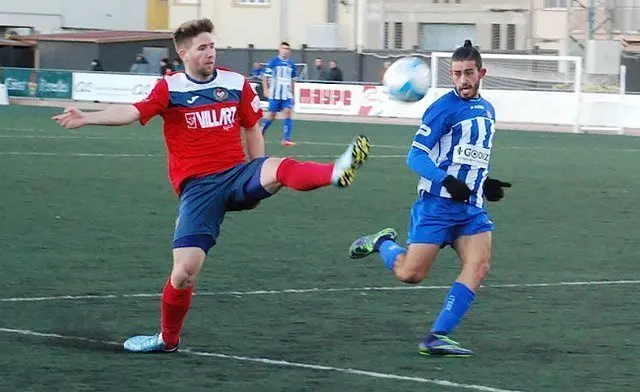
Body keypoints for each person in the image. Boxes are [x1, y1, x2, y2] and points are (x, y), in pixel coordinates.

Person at [52, 17, 371, 353]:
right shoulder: (170, 88)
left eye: (212, 46)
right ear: (184, 53)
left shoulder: (235, 82)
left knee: (278, 167)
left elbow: (252, 128)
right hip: (199, 190)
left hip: (236, 174)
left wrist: (256, 171)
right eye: (202, 48)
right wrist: (87, 116)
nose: (210, 53)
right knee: (184, 272)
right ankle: (167, 338)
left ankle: (335, 172)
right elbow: (131, 112)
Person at [347, 40, 511, 357]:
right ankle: (382, 242)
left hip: (471, 208)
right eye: (458, 73)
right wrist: (447, 180)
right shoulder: (442, 109)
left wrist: (484, 182)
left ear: (482, 73)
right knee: (411, 274)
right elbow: (415, 157)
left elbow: (470, 155)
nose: (463, 80)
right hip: (437, 205)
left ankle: (437, 335)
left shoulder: (488, 110)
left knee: (479, 266)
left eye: (469, 73)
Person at [261, 42, 297, 147]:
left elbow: (293, 80)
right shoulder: (273, 62)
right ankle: (261, 132)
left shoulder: (292, 64)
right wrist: (265, 89)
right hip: (275, 94)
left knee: (288, 112)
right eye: (283, 48)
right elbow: (265, 76)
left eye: (287, 49)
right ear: (279, 50)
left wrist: (293, 93)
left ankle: (286, 139)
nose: (285, 50)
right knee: (272, 116)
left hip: (287, 94)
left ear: (289, 51)